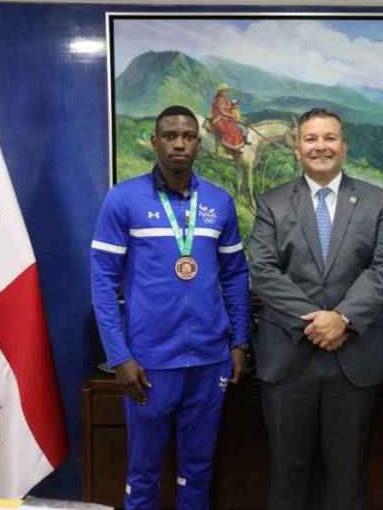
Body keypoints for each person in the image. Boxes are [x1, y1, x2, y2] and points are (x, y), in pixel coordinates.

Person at [91, 105, 250, 510]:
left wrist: (239, 342)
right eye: (170, 135)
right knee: (143, 472)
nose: (180, 143)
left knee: (198, 468)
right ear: (155, 142)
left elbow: (234, 276)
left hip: (209, 360)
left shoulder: (219, 201)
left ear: (199, 142)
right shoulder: (123, 199)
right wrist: (119, 355)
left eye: (189, 136)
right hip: (149, 363)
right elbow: (103, 284)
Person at [249, 108, 383, 510]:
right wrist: (318, 323)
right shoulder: (272, 203)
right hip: (287, 358)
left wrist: (342, 319)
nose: (321, 146)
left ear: (344, 147)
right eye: (311, 139)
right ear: (297, 149)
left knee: (347, 477)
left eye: (329, 138)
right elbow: (263, 271)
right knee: (287, 477)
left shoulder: (376, 201)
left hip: (353, 359)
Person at [211, 83, 245, 156]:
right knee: (230, 131)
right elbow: (222, 112)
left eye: (226, 91)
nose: (225, 93)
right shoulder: (218, 100)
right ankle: (228, 149)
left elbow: (229, 109)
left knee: (236, 130)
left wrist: (235, 113)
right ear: (220, 92)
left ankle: (235, 149)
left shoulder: (226, 99)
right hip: (219, 119)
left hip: (226, 118)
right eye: (224, 91)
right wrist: (232, 116)